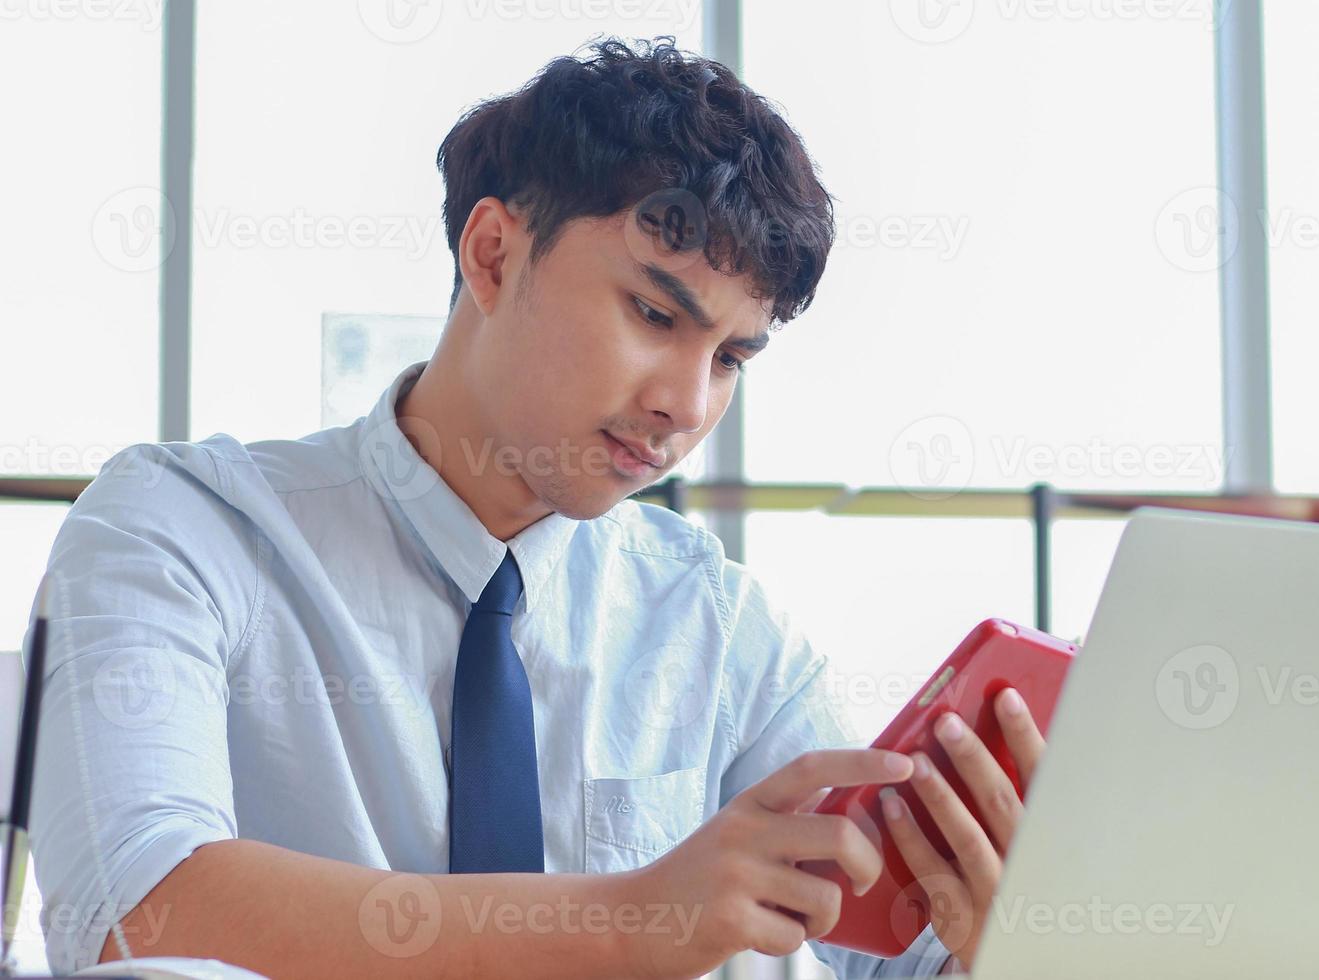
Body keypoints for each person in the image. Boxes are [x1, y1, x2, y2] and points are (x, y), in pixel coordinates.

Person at [28, 37, 1046, 979]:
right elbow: (139, 906)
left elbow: (880, 958)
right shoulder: (183, 529)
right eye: (654, 313)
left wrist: (987, 927)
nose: (685, 405)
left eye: (729, 357)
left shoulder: (724, 632)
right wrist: (633, 915)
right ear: (492, 254)